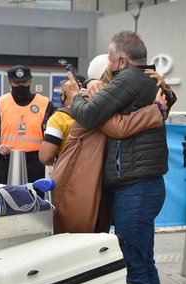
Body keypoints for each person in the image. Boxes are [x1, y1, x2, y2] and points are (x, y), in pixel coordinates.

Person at [65, 31, 173, 284]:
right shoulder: (148, 80)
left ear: (122, 61)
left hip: (135, 190)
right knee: (146, 263)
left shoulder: (128, 79)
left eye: (111, 61)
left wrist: (75, 95)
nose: (109, 69)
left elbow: (88, 115)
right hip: (145, 187)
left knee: (136, 269)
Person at [52, 55, 170, 235]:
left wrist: (164, 89)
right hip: (77, 184)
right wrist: (155, 110)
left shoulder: (105, 101)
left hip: (91, 183)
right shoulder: (92, 102)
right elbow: (119, 127)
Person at [0, 65, 54, 184]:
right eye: (16, 83)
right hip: (7, 162)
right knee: (7, 199)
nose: (21, 86)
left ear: (30, 81)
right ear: (10, 84)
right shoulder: (1, 104)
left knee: (37, 200)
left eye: (24, 82)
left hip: (36, 164)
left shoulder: (44, 103)